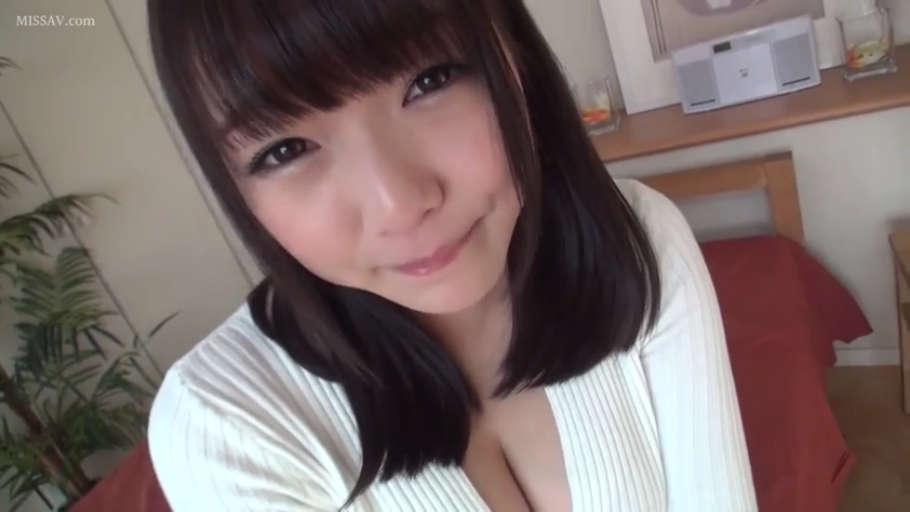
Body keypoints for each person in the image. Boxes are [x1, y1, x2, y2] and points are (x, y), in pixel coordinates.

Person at [145, 0, 758, 510]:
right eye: (286, 150)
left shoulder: (638, 237)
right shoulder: (225, 425)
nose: (398, 206)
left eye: (430, 81)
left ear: (514, 58)